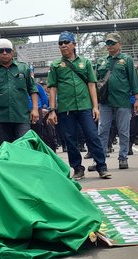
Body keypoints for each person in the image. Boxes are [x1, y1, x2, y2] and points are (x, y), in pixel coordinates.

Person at [46, 31, 111, 180]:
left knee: (92, 135)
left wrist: (95, 107)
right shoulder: (56, 65)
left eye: (66, 42)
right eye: (60, 43)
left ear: (74, 45)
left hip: (84, 106)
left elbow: (91, 85)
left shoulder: (85, 62)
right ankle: (77, 168)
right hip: (66, 109)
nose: (63, 46)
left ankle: (101, 166)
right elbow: (53, 88)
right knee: (70, 140)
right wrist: (52, 110)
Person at [96, 32, 138, 169]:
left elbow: (133, 80)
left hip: (122, 101)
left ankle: (123, 157)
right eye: (107, 43)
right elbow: (95, 82)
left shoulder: (127, 60)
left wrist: (137, 100)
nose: (109, 46)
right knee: (102, 131)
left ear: (119, 45)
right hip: (105, 102)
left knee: (123, 131)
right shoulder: (101, 61)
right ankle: (100, 159)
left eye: (112, 43)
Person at [0, 38, 39, 148]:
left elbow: (32, 89)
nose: (4, 53)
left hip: (21, 117)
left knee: (24, 148)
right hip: (0, 119)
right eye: (1, 50)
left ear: (12, 52)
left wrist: (35, 109)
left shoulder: (24, 68)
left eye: (7, 50)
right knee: (4, 151)